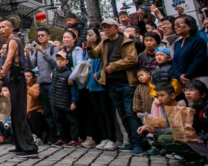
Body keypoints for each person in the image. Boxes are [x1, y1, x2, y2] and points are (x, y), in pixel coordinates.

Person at [85, 18, 143, 155]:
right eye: (104, 27)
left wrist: (114, 66)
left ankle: (138, 143)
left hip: (126, 82)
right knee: (122, 114)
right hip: (111, 83)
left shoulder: (125, 41)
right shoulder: (104, 42)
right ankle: (131, 141)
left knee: (130, 113)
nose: (106, 29)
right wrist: (89, 45)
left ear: (116, 27)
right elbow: (94, 55)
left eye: (109, 27)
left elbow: (132, 59)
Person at [0, 19, 38, 157]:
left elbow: (9, 60)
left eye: (4, 27)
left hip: (18, 78)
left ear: (11, 28)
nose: (1, 29)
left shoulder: (13, 40)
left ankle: (29, 146)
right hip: (13, 79)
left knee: (20, 113)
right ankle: (20, 145)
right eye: (0, 27)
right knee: (14, 113)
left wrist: (2, 73)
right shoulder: (10, 41)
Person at [28, 27, 58, 143]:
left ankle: (58, 135)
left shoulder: (53, 49)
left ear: (48, 36)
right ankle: (52, 135)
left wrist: (43, 53)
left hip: (52, 83)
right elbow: (31, 65)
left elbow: (55, 63)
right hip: (41, 83)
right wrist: (27, 53)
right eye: (38, 35)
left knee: (54, 110)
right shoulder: (37, 51)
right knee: (47, 111)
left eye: (42, 35)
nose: (40, 37)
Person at [50, 50, 79, 146]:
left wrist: (74, 101)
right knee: (59, 121)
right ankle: (62, 138)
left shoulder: (69, 74)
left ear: (67, 61)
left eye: (62, 59)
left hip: (66, 101)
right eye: (58, 59)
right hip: (55, 100)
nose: (59, 61)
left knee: (71, 120)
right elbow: (53, 85)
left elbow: (73, 89)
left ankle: (74, 138)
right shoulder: (54, 71)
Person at [172, 15, 208, 84]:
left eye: (178, 24)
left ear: (189, 26)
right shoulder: (177, 43)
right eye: (174, 25)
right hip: (184, 80)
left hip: (200, 78)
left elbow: (198, 60)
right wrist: (179, 75)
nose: (175, 27)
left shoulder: (197, 40)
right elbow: (175, 61)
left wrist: (187, 74)